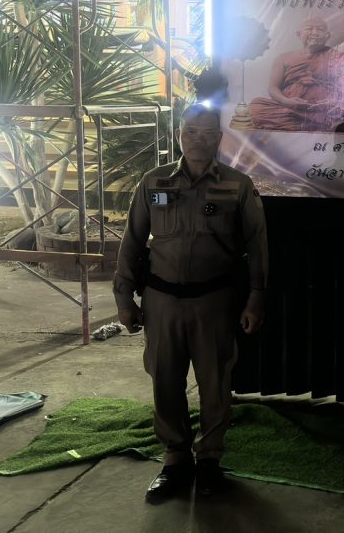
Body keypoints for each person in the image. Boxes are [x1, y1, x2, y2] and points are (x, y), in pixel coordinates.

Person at [114, 103, 269, 502]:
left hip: (214, 302)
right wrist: (123, 297)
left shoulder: (238, 185)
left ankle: (210, 460)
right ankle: (175, 459)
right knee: (165, 380)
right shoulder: (154, 181)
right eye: (191, 131)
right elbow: (132, 240)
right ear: (179, 134)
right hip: (161, 300)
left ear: (219, 137)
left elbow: (257, 247)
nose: (198, 139)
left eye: (207, 132)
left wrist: (256, 298)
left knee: (215, 384)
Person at [249, 17, 344, 133]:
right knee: (256, 106)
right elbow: (273, 87)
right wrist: (286, 101)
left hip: (324, 110)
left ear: (327, 36)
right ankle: (319, 124)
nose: (314, 33)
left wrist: (331, 103)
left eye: (320, 30)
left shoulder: (338, 57)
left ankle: (314, 122)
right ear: (299, 34)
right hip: (291, 108)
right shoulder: (283, 58)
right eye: (309, 29)